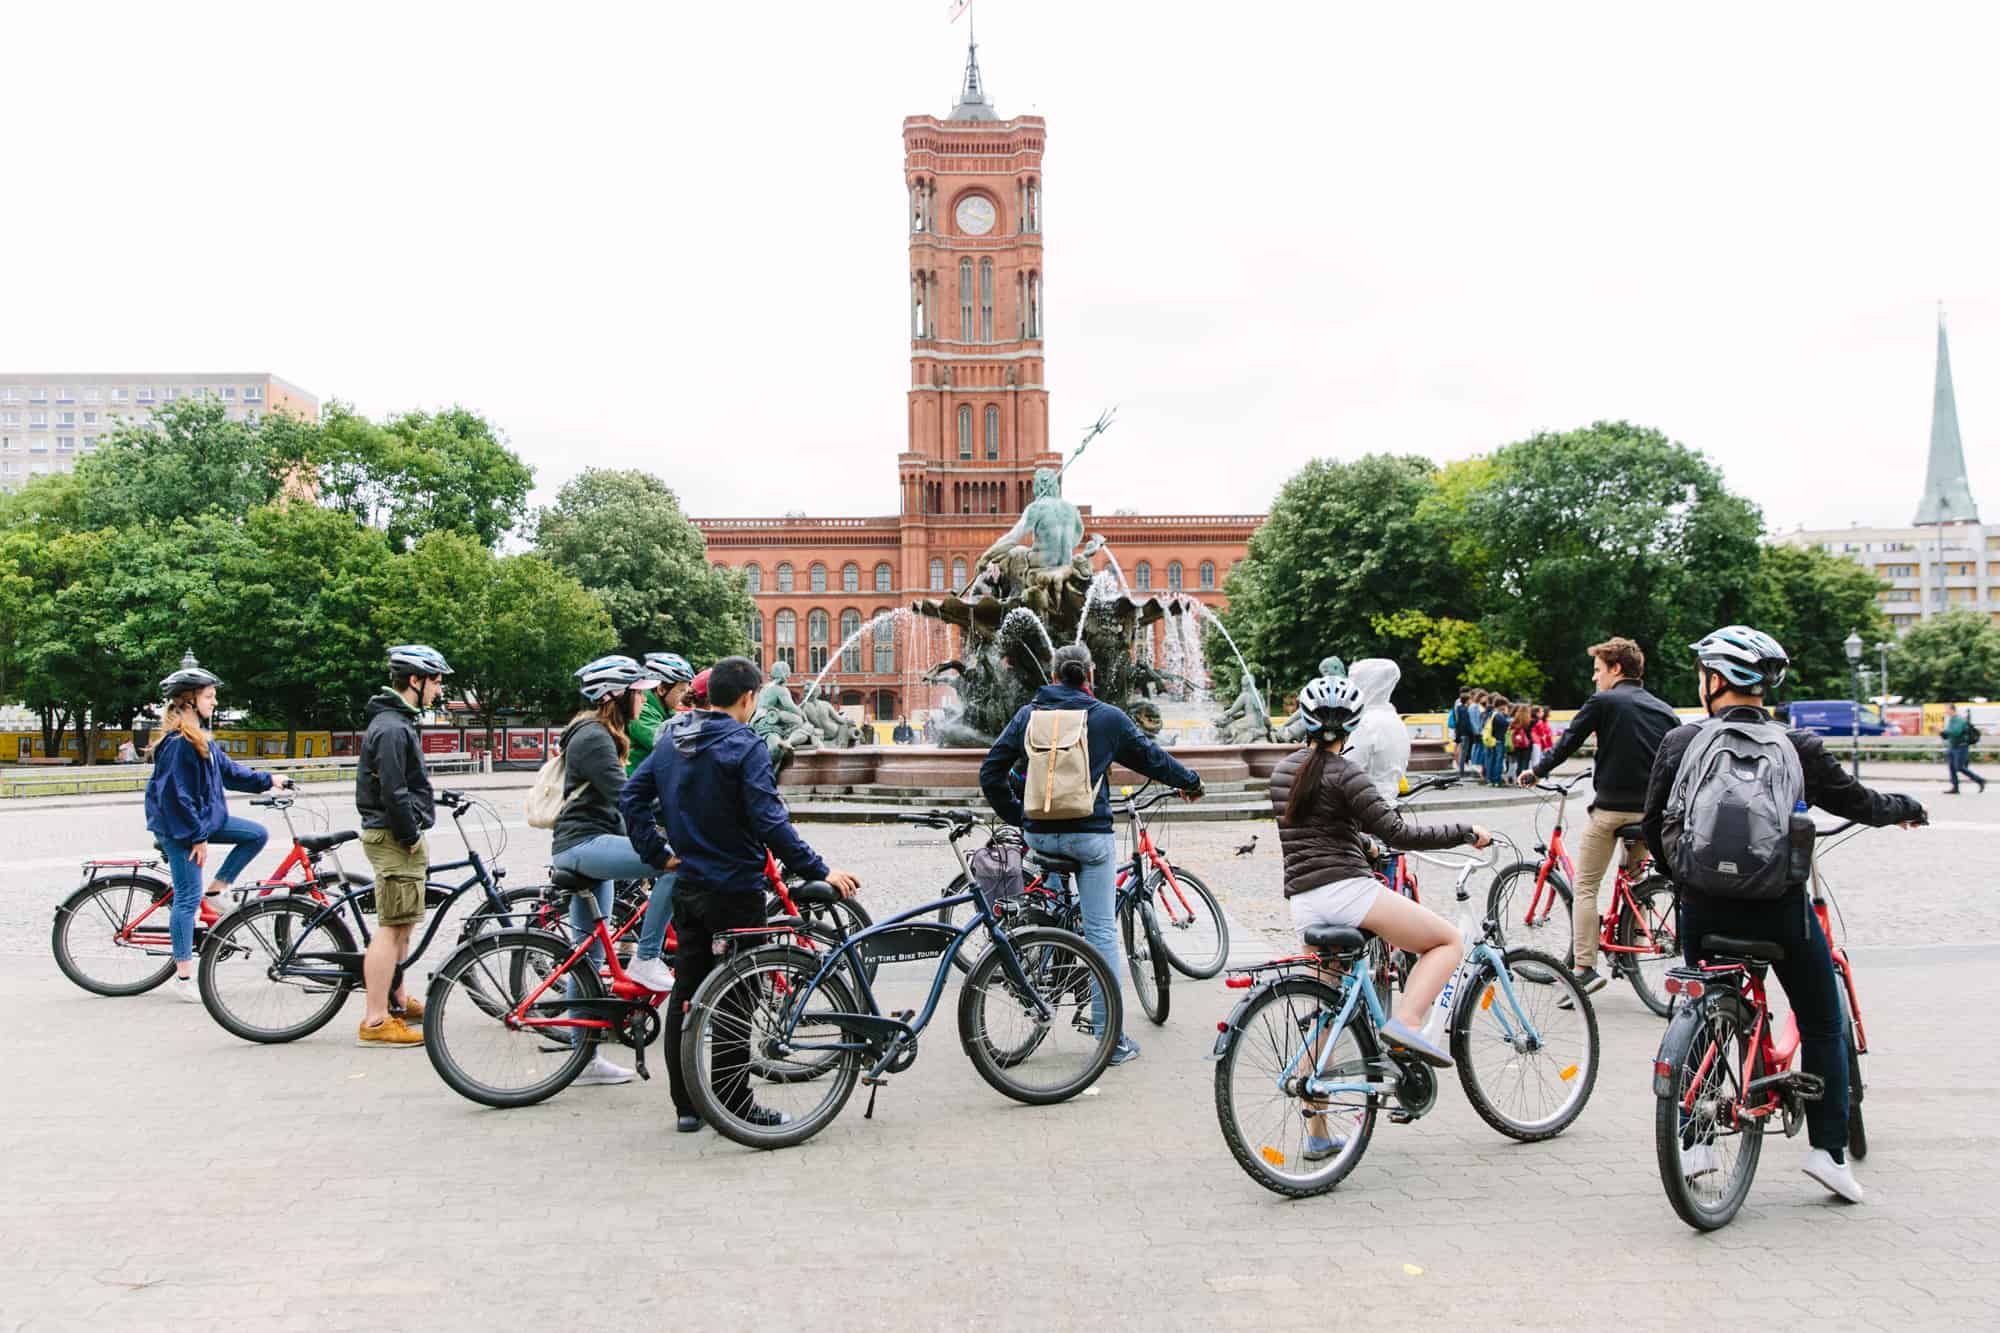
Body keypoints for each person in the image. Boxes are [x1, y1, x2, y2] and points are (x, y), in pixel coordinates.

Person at [1642, 625, 1924, 1204]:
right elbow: (1860, 803)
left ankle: (1695, 1144)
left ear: (1714, 680)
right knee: (1821, 1019)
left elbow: (1654, 826)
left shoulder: (1682, 741)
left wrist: (1687, 885)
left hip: (1703, 912)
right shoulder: (1798, 746)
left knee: (1702, 1004)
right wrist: (1906, 808)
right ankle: (1827, 1153)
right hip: (1780, 913)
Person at [621, 656, 861, 1134]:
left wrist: (658, 853)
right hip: (736, 890)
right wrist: (819, 870)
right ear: (750, 697)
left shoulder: (673, 737)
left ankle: (687, 1105)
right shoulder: (744, 745)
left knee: (688, 993)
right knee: (736, 999)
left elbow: (632, 796)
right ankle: (732, 1104)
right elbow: (771, 822)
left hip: (689, 886)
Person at [1273, 675, 1492, 1156]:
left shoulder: (1284, 771)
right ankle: (1407, 1024)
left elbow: (1319, 833)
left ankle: (1319, 1134)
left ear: (1306, 723)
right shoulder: (1346, 773)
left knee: (1328, 1015)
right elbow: (1398, 831)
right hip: (1349, 893)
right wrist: (1464, 830)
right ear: (1350, 726)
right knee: (1446, 942)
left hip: (1304, 902)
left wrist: (1362, 845)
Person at [979, 642, 1205, 1067]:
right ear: (1089, 674)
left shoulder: (1028, 716)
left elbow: (990, 772)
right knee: (1100, 933)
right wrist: (1191, 781)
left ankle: (1045, 960)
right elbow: (1154, 760)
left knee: (1051, 903)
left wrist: (1022, 817)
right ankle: (1110, 1039)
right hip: (1088, 837)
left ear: (1052, 675)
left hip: (1040, 838)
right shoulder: (1106, 718)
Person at [1519, 637, 1679, 995]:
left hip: (1612, 812)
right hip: (1652, 815)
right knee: (1636, 884)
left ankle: (1583, 968)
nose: (1595, 678)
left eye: (1598, 670)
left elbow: (1568, 742)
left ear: (1616, 669)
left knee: (1586, 887)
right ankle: (1633, 950)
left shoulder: (1604, 702)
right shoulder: (1664, 709)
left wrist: (1537, 772)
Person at [548, 654, 667, 1087]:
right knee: (674, 866)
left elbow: (629, 803)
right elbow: (628, 798)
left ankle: (585, 1060)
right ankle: (648, 958)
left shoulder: (598, 733)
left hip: (586, 847)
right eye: (638, 691)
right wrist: (665, 836)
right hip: (584, 847)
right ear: (615, 695)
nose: (645, 697)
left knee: (587, 955)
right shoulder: (595, 737)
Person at [143, 659, 291, 1003]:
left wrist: (269, 780)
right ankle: (182, 976)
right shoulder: (179, 742)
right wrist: (196, 837)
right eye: (210, 696)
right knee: (186, 898)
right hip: (181, 828)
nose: (215, 702)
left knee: (255, 834)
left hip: (203, 819)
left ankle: (218, 890)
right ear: (189, 700)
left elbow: (231, 772)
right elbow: (176, 796)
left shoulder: (202, 738)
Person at [353, 644, 452, 1047]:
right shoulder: (393, 727)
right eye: (436, 681)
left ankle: (395, 997)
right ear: (415, 680)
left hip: (399, 834)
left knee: (403, 922)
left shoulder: (396, 721)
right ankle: (376, 1021)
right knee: (391, 927)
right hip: (394, 837)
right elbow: (393, 789)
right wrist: (410, 834)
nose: (439, 689)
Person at [627, 652, 696, 777]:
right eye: (681, 690)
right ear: (661, 689)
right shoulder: (642, 711)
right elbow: (669, 744)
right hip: (632, 783)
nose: (684, 696)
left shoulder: (666, 711)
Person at [1943, 704, 1985, 794]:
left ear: (1952, 710)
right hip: (1953, 746)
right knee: (1952, 767)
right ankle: (1955, 787)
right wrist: (1941, 733)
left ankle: (1980, 780)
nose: (1945, 711)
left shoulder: (1959, 720)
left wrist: (1943, 731)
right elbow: (1948, 735)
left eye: (1947, 709)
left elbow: (1956, 732)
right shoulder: (1951, 720)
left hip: (1961, 747)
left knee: (1959, 767)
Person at [1482, 695, 1511, 786]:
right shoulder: (1498, 715)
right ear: (1502, 705)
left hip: (1490, 740)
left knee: (1491, 760)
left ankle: (1490, 779)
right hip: (1498, 740)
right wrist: (1506, 715)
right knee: (1498, 761)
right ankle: (1497, 780)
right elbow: (1506, 725)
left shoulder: (1490, 713)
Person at [1448, 687, 1475, 776]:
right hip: (1463, 731)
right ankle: (1461, 767)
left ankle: (1460, 766)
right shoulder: (1462, 706)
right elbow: (1462, 720)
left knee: (1460, 748)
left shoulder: (1459, 705)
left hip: (1459, 730)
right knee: (1462, 750)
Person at [1508, 704, 1533, 782]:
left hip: (1517, 744)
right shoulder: (1529, 722)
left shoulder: (1514, 721)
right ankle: (1524, 780)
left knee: (1518, 762)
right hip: (1527, 745)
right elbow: (1530, 734)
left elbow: (1510, 731)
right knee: (1525, 762)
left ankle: (1518, 779)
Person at [1530, 706, 1554, 771]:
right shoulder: (1539, 722)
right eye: (1541, 712)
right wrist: (1546, 746)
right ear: (1537, 713)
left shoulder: (1532, 721)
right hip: (1538, 743)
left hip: (1534, 743)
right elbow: (1543, 736)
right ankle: (1534, 778)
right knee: (1536, 762)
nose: (1543, 713)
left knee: (1532, 762)